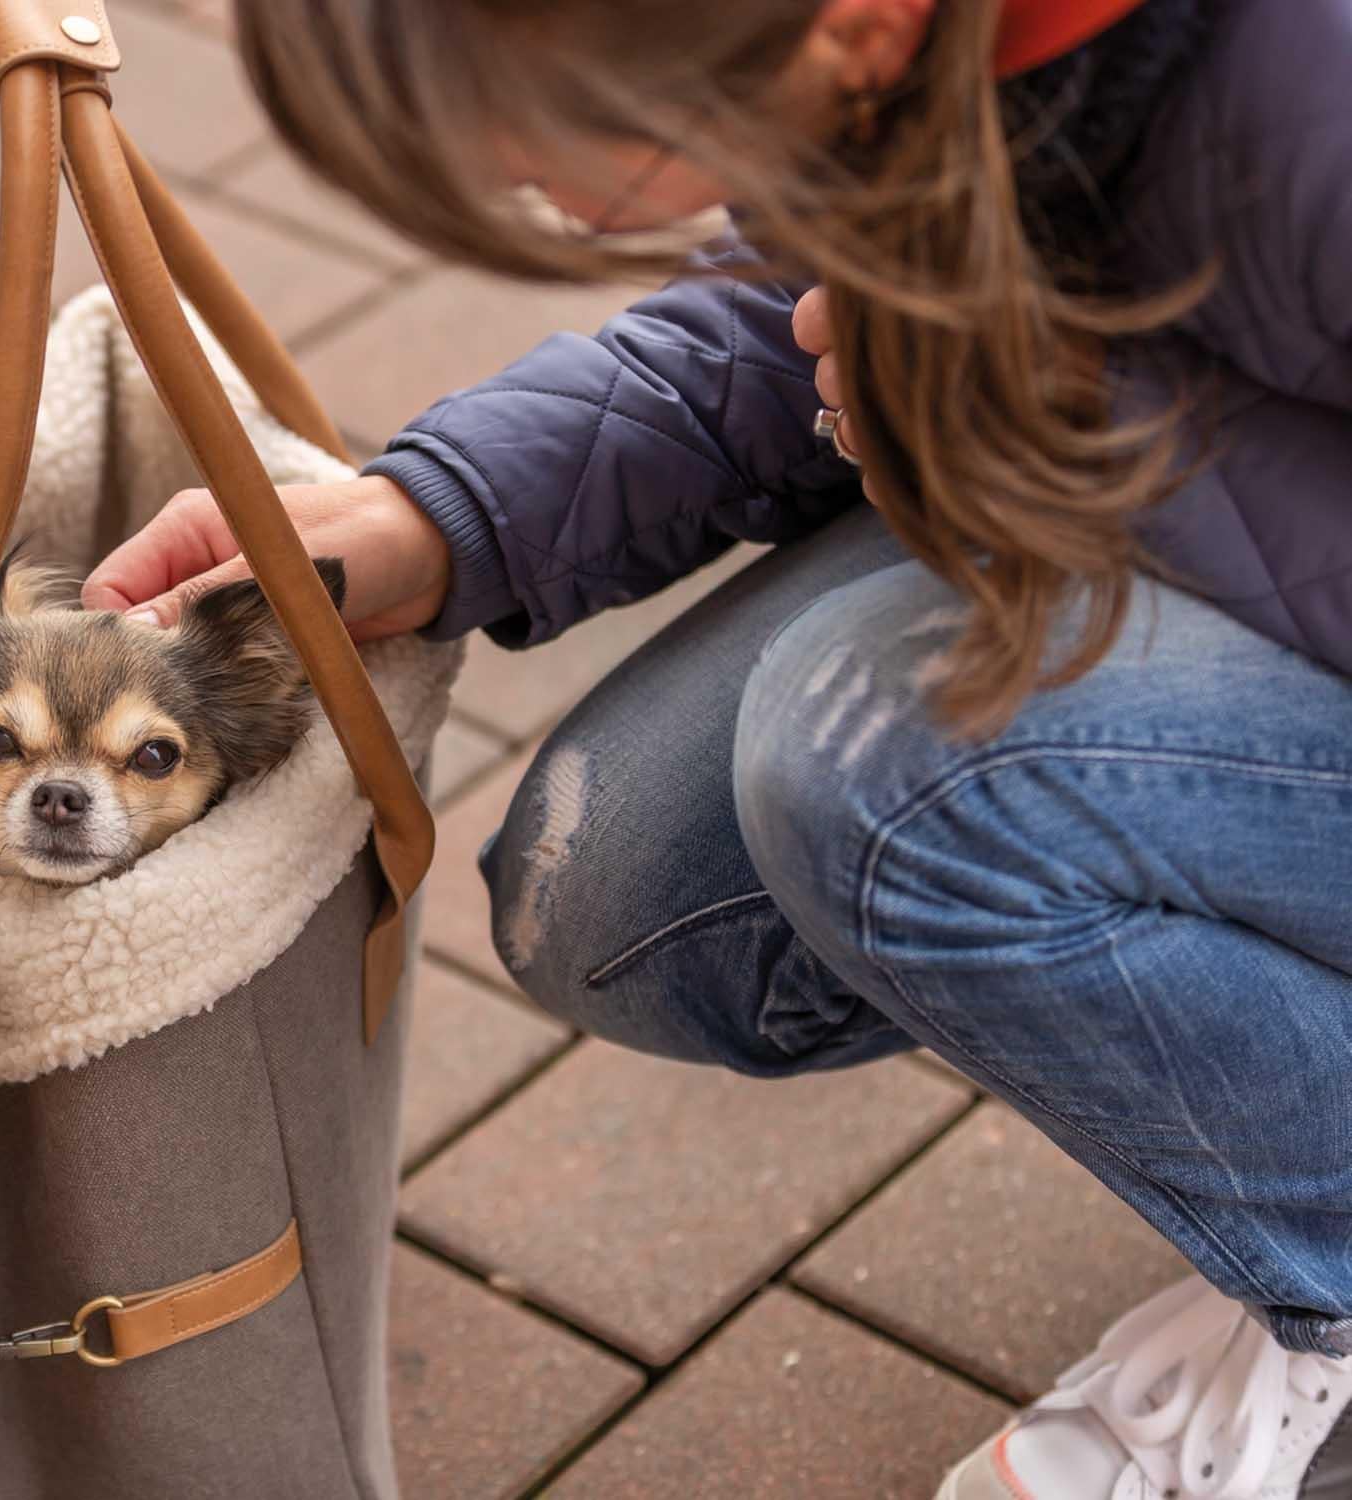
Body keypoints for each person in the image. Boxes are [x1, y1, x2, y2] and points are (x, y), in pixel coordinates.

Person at [81, 1, 1352, 1495]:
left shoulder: (1303, 102)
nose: (531, 192)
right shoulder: (880, 47)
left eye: (559, 155)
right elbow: (794, 304)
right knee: (620, 880)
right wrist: (439, 519)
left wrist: (1038, 410)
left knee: (890, 770)